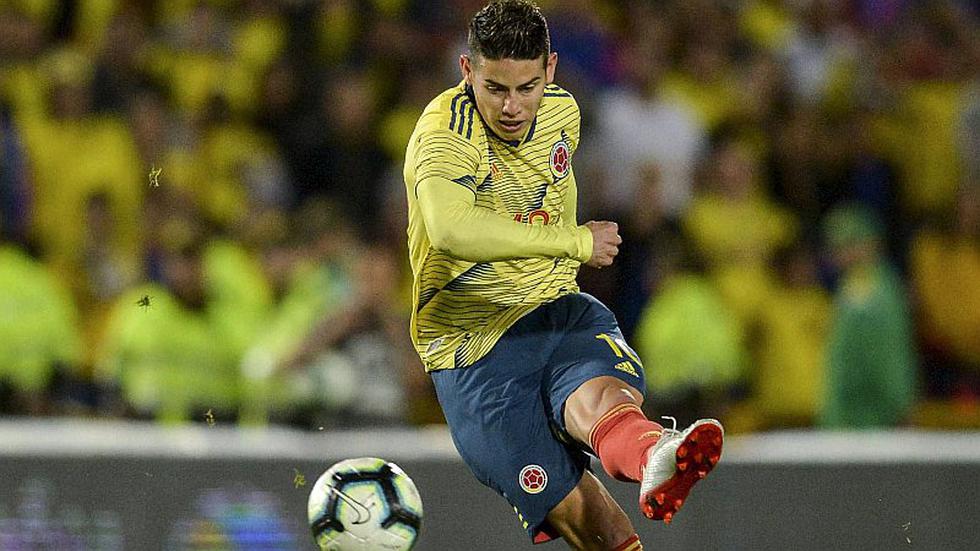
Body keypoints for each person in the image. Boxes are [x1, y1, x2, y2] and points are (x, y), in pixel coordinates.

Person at [402, 2, 723, 549]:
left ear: (550, 69)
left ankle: (654, 454)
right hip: (472, 350)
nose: (512, 107)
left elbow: (554, 186)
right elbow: (451, 229)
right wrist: (573, 242)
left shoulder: (561, 113)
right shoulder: (444, 133)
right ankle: (646, 456)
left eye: (527, 87)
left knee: (603, 403)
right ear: (466, 70)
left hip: (553, 311)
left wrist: (559, 266)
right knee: (598, 529)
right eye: (495, 88)